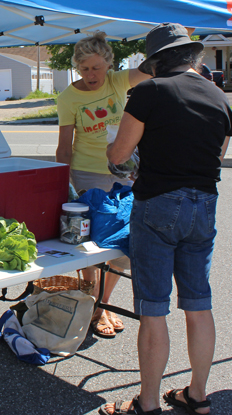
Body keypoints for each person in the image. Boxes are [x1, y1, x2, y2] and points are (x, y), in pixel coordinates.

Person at [102, 22, 232, 415]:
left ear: (156, 62)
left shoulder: (150, 91)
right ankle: (198, 395)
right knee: (198, 303)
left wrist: (117, 151)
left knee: (153, 308)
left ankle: (147, 403)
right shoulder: (219, 96)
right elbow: (217, 156)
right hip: (204, 203)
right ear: (191, 56)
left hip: (158, 202)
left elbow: (119, 154)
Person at [55, 31, 150, 338]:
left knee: (121, 240)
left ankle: (103, 303)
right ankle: (93, 301)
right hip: (87, 174)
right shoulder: (68, 98)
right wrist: (61, 182)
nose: (91, 74)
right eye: (84, 69)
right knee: (92, 241)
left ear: (109, 64)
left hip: (123, 171)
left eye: (96, 67)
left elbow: (153, 67)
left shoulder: (118, 81)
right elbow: (64, 147)